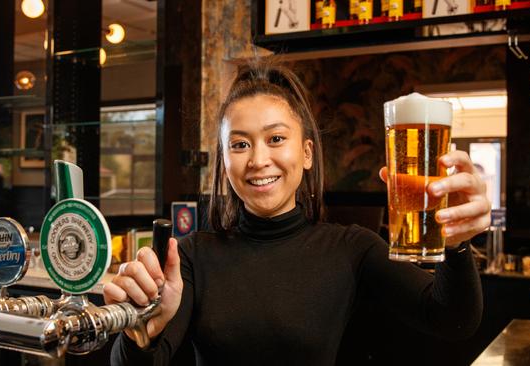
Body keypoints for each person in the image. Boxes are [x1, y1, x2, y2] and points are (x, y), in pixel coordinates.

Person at [104, 62, 490, 366]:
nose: (258, 160)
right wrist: (140, 333)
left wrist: (455, 245)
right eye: (239, 144)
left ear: (306, 153)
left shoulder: (351, 248)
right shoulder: (190, 256)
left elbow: (451, 319)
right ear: (224, 162)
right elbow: (140, 361)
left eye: (275, 139)